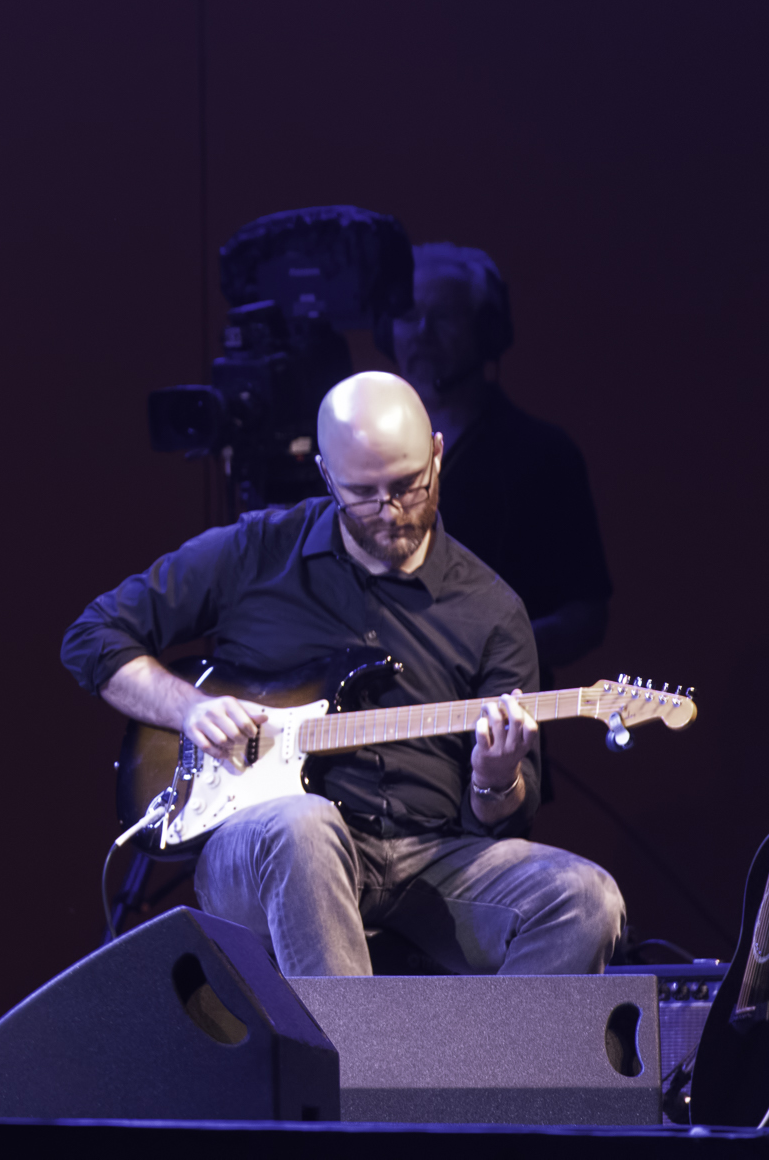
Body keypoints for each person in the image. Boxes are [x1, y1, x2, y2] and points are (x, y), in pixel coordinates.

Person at [61, 372, 623, 976]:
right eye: (364, 493)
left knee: (586, 899)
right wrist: (189, 709)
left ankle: (487, 1071)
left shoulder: (492, 610)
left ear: (437, 453)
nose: (391, 511)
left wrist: (494, 777)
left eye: (409, 485)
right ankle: (353, 1070)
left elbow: (504, 817)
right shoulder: (257, 551)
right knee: (305, 826)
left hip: (430, 854)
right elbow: (91, 638)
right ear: (327, 475)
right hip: (267, 844)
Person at [387, 242, 612, 682]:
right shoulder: (360, 454)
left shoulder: (542, 454)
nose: (422, 333)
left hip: (493, 711)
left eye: (444, 317)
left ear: (486, 332)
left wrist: (493, 644)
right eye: (409, 316)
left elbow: (585, 615)